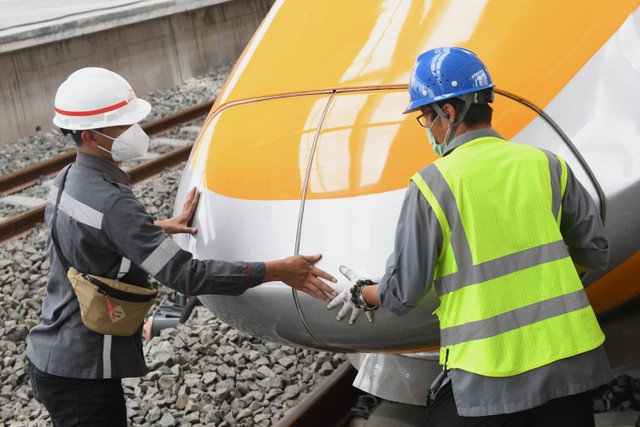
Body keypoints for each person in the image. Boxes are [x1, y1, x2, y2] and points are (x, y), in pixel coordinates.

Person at [26, 67, 337, 427]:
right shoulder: (114, 205)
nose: (135, 132)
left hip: (52, 354)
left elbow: (85, 234)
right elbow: (185, 276)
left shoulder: (69, 179)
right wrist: (278, 270)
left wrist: (152, 229)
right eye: (123, 125)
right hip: (82, 373)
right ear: (93, 136)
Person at [328, 47, 611, 426]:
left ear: (449, 112)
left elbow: (403, 292)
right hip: (571, 366)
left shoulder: (432, 185)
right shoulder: (547, 165)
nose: (428, 128)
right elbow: (594, 251)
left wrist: (361, 293)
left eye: (426, 117)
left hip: (491, 373)